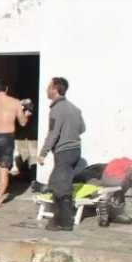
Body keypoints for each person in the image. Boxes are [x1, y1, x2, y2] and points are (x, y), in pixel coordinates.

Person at [38, 77, 85, 231]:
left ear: (55, 89)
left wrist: (43, 153)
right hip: (75, 150)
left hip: (64, 152)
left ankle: (63, 222)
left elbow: (53, 133)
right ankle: (62, 221)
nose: (46, 90)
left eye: (48, 87)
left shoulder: (56, 109)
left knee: (60, 187)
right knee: (60, 183)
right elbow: (82, 129)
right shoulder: (75, 108)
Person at [100, 157, 132, 225]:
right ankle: (115, 214)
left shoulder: (118, 161)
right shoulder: (128, 164)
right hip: (117, 181)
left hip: (104, 181)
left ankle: (105, 218)